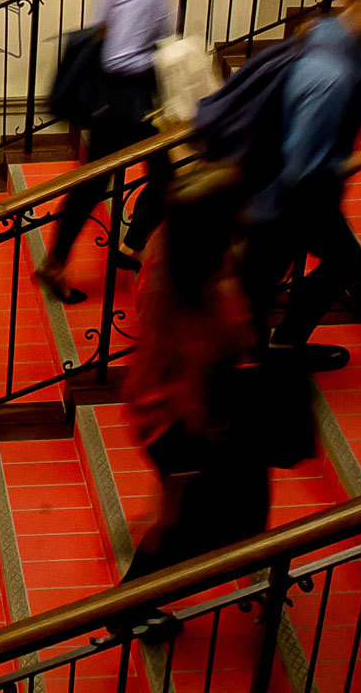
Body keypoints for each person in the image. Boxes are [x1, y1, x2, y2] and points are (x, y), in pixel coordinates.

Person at [236, 0, 361, 371]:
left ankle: (274, 348)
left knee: (334, 265)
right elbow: (303, 170)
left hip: (289, 198)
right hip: (283, 204)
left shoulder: (329, 33)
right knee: (262, 288)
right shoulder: (330, 73)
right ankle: (257, 366)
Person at [37, 0, 189, 303]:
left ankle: (94, 255)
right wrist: (168, 56)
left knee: (109, 180)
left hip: (117, 100)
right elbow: (121, 56)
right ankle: (123, 249)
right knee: (164, 178)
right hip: (129, 99)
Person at [121, 168, 265, 583]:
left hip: (159, 409)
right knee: (176, 522)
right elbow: (195, 387)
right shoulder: (200, 306)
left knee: (180, 515)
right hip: (180, 425)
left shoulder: (170, 254)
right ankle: (130, 602)